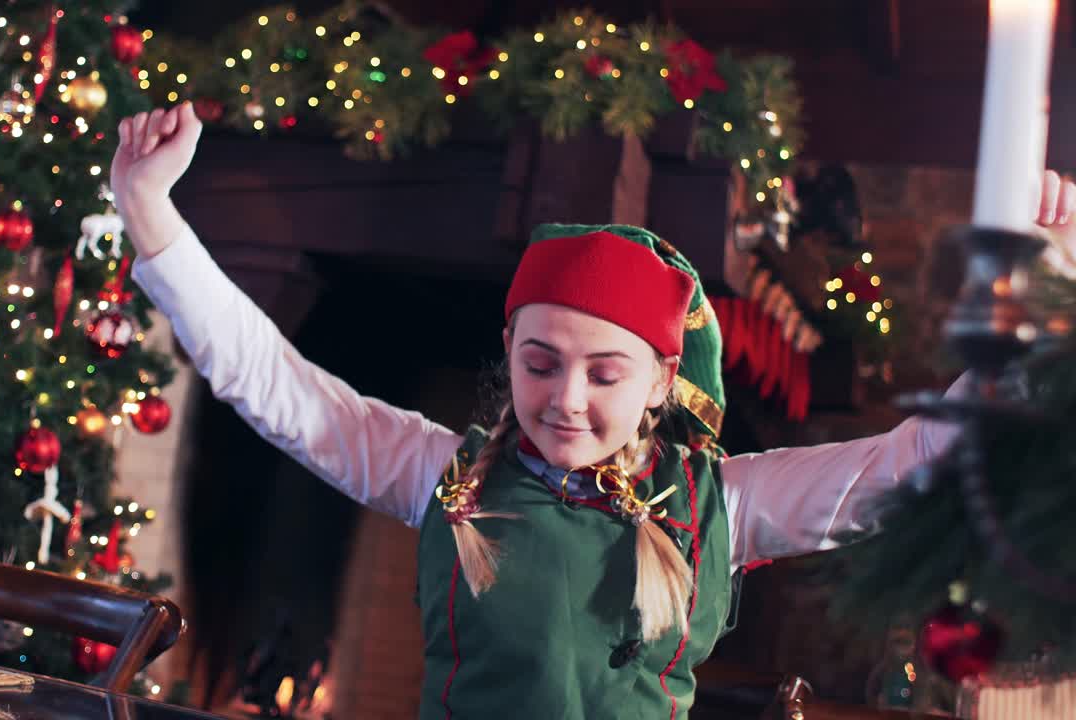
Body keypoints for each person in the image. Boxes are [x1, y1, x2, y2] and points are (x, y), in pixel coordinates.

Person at [112, 101, 1076, 719]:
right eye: (540, 364)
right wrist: (150, 209)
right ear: (510, 353)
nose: (565, 401)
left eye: (605, 374)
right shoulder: (444, 477)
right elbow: (274, 385)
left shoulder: (723, 504)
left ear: (660, 380)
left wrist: (1041, 314)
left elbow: (914, 463)